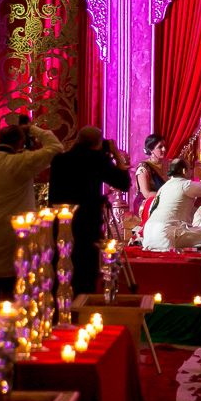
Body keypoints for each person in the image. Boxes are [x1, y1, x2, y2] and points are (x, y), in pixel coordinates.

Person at [0, 116, 62, 319]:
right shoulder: (22, 163)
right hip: (12, 240)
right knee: (15, 302)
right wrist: (33, 129)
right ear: (20, 142)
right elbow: (56, 147)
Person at [47, 126, 132, 294]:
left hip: (60, 226)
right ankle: (83, 309)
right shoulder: (96, 159)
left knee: (62, 272)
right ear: (96, 143)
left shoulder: (59, 160)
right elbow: (123, 183)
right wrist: (115, 154)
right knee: (84, 277)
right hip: (86, 226)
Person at [133, 134, 169, 229]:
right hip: (147, 203)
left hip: (165, 200)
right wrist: (166, 196)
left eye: (164, 146)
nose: (164, 149)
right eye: (160, 147)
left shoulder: (168, 165)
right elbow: (146, 193)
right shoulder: (143, 168)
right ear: (151, 150)